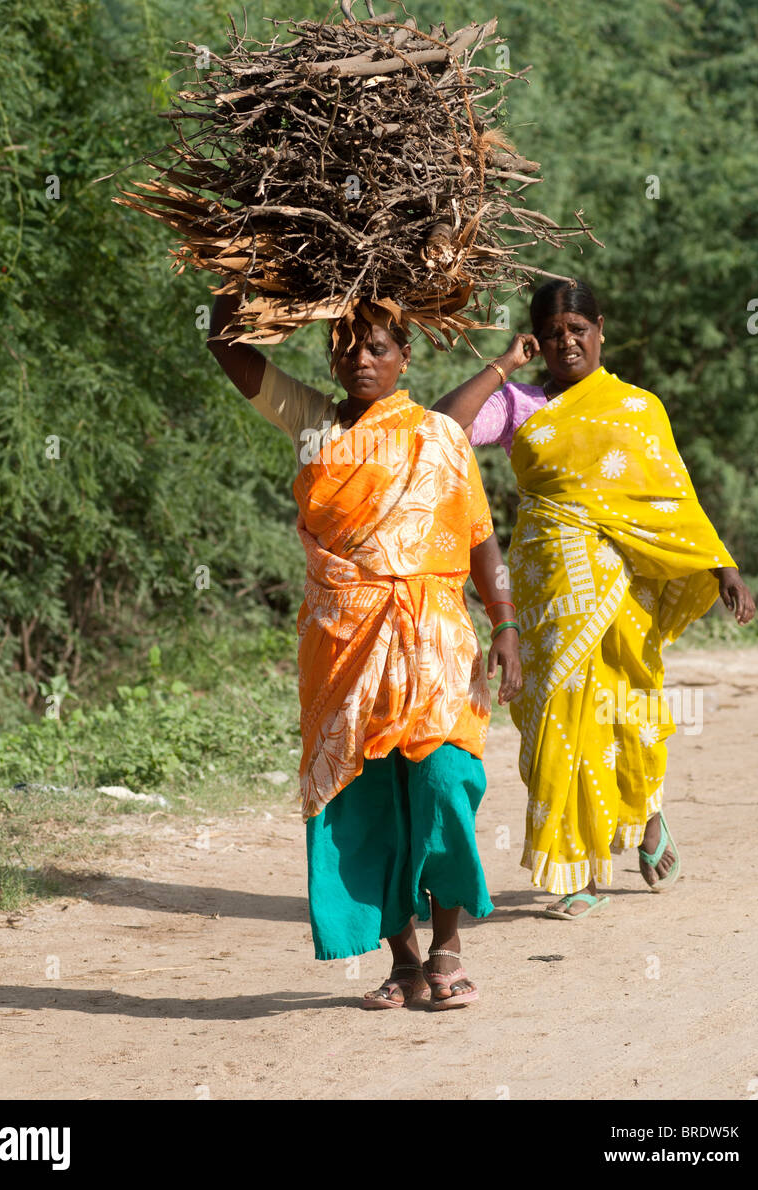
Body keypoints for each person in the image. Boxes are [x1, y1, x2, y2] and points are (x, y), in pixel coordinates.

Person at [207, 292, 523, 1004]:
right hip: (342, 642)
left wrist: (504, 621)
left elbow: (478, 536)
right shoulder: (313, 424)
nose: (361, 359)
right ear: (330, 356)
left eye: (377, 347)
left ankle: (448, 942)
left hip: (435, 638)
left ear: (406, 356)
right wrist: (244, 273)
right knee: (364, 796)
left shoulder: (438, 435)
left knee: (445, 781)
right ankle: (404, 959)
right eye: (347, 347)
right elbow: (224, 346)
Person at [434, 279, 755, 917]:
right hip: (544, 586)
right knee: (557, 716)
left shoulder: (639, 408)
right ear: (536, 339)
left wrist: (721, 564)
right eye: (551, 334)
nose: (566, 343)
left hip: (620, 589)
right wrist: (503, 366)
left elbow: (672, 497)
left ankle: (648, 815)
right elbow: (445, 426)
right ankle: (575, 869)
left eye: (577, 330)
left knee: (627, 708)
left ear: (600, 329)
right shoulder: (520, 403)